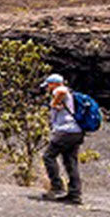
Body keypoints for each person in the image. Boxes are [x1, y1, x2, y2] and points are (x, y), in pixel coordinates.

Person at [39, 73, 83, 204]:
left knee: (48, 156)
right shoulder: (69, 94)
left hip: (66, 132)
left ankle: (57, 188)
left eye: (48, 85)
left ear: (53, 84)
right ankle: (74, 194)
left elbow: (61, 90)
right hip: (76, 132)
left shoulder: (60, 90)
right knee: (70, 162)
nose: (47, 88)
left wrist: (54, 102)